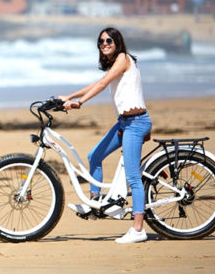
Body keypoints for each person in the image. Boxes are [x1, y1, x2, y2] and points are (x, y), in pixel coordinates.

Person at [59, 26, 152, 244]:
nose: (105, 44)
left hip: (136, 123)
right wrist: (69, 96)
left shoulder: (123, 58)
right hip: (124, 123)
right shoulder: (113, 66)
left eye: (109, 40)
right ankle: (95, 204)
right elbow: (97, 83)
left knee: (133, 178)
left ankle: (138, 229)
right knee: (95, 156)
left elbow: (102, 84)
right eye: (101, 42)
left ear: (117, 42)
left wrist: (79, 103)